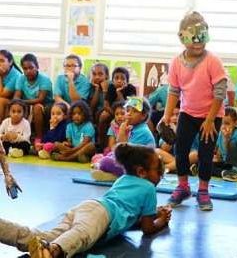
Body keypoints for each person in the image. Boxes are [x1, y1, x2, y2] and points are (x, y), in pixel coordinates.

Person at [0, 143, 171, 258]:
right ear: (141, 172)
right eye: (159, 172)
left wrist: (154, 213)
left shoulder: (122, 180)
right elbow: (148, 228)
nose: (160, 177)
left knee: (44, 236)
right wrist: (162, 220)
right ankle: (52, 252)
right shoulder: (149, 188)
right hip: (101, 215)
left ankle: (5, 230)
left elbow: (130, 217)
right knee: (81, 236)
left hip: (89, 207)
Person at [161, 11, 227, 211]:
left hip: (211, 115)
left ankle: (204, 190)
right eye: (193, 38)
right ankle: (183, 187)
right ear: (182, 37)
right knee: (180, 151)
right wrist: (166, 116)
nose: (198, 43)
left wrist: (209, 120)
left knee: (205, 154)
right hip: (187, 114)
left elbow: (220, 92)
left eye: (202, 37)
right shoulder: (176, 63)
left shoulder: (212, 61)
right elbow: (174, 90)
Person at [92, 96, 155, 181]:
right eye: (128, 110)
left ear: (143, 116)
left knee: (105, 161)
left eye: (135, 111)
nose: (129, 114)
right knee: (104, 156)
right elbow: (119, 149)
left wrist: (122, 131)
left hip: (140, 169)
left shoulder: (142, 131)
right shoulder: (133, 127)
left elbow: (124, 152)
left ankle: (114, 175)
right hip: (130, 161)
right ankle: (112, 173)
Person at [14, 53, 53, 142]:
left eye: (31, 68)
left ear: (37, 66)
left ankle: (39, 138)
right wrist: (17, 102)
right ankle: (16, 135)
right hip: (27, 103)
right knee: (15, 106)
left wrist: (21, 102)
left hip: (45, 105)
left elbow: (40, 99)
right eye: (25, 69)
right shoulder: (21, 78)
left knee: (37, 108)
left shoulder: (44, 79)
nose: (28, 71)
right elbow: (17, 96)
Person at [97, 67, 136, 151]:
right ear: (112, 80)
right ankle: (101, 144)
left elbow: (129, 107)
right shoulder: (111, 87)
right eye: (116, 78)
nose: (119, 81)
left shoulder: (131, 88)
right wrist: (115, 115)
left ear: (127, 81)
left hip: (127, 112)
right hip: (114, 112)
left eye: (122, 78)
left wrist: (119, 93)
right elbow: (106, 105)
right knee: (103, 115)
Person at [212, 107, 237, 182]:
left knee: (233, 144)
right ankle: (224, 173)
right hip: (228, 164)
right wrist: (216, 158)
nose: (224, 126)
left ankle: (234, 172)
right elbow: (219, 153)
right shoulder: (220, 134)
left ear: (235, 123)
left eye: (227, 123)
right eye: (222, 123)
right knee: (207, 165)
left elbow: (234, 154)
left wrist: (227, 138)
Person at [0, 50, 22, 124]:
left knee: (1, 100)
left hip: (14, 101)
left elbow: (3, 94)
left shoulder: (16, 75)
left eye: (2, 61)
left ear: (10, 62)